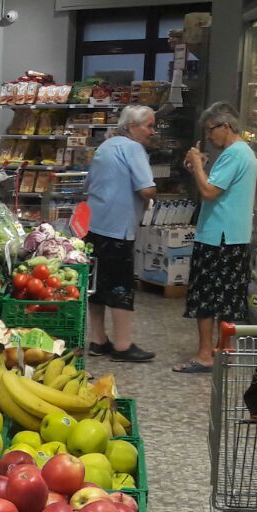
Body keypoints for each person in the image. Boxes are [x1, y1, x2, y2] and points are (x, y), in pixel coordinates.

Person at [174, 102, 257, 374]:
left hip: (218, 237)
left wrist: (197, 164)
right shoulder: (243, 153)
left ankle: (205, 354)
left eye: (211, 131)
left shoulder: (234, 154)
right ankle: (222, 351)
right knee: (228, 298)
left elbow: (209, 192)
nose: (209, 137)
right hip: (233, 236)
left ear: (226, 126)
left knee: (206, 296)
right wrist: (197, 169)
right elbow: (214, 187)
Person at [84, 104, 158, 363]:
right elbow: (146, 189)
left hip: (93, 224)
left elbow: (89, 183)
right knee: (120, 285)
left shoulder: (106, 146)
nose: (152, 131)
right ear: (131, 126)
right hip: (118, 228)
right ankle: (123, 345)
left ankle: (98, 340)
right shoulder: (134, 148)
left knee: (96, 285)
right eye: (148, 125)